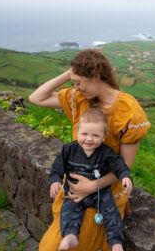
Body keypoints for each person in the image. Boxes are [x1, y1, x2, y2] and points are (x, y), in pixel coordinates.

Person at [29, 49, 150, 251]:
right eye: (73, 82)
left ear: (95, 76)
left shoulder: (129, 111)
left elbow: (124, 165)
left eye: (78, 82)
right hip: (75, 192)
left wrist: (91, 187)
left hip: (105, 194)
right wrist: (71, 73)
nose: (75, 87)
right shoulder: (79, 98)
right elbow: (36, 98)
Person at [49, 108, 132, 251]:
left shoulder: (105, 152)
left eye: (95, 135)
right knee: (68, 210)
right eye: (84, 134)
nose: (88, 139)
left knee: (111, 211)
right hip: (75, 192)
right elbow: (57, 167)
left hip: (99, 193)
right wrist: (55, 180)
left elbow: (119, 164)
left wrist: (125, 176)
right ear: (77, 132)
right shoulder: (69, 150)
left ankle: (116, 242)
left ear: (104, 136)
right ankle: (70, 235)